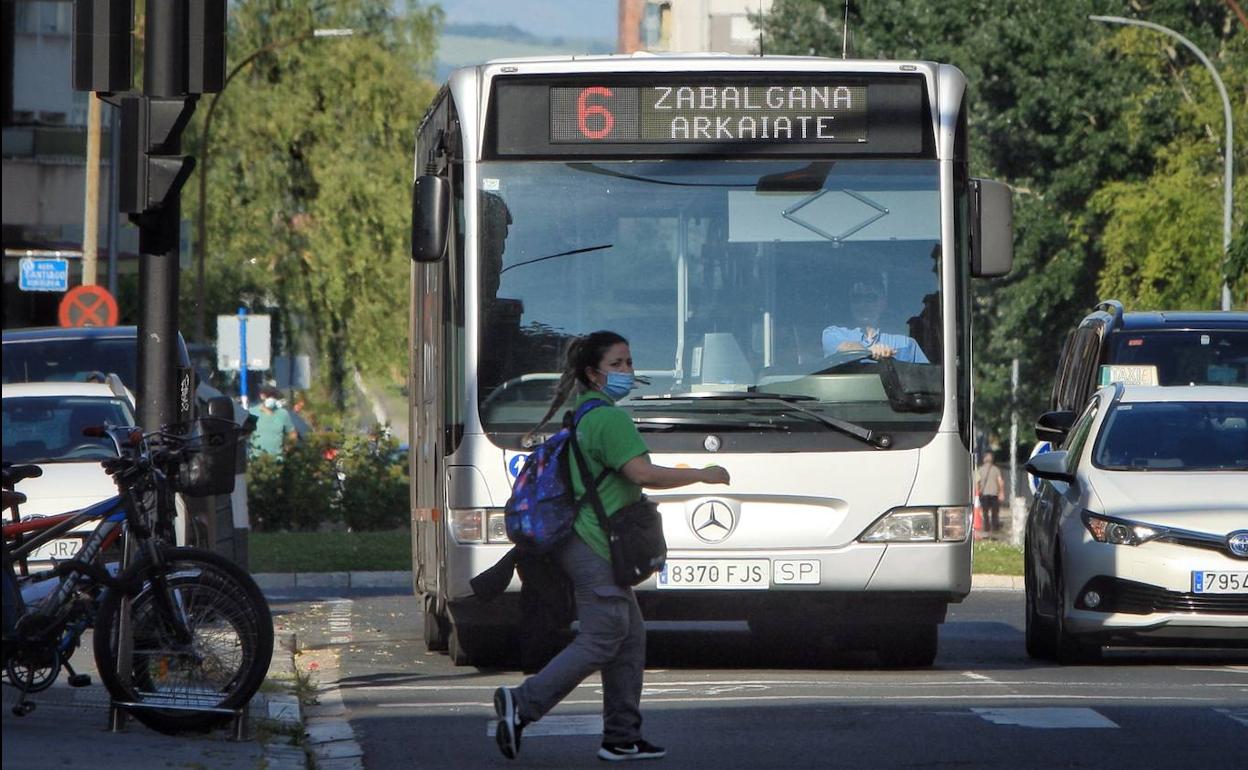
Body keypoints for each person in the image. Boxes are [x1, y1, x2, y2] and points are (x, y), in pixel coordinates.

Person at [493, 331, 730, 762]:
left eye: (629, 362)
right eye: (617, 364)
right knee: (603, 638)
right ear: (593, 373)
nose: (628, 372)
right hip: (594, 547)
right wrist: (702, 474)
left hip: (588, 542)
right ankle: (523, 703)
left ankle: (622, 736)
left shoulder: (583, 415)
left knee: (629, 639)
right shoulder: (609, 419)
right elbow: (642, 473)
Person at [821, 272, 929, 363]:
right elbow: (846, 348)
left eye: (871, 298)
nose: (863, 304)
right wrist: (872, 352)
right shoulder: (832, 333)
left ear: (883, 302)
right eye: (857, 298)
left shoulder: (906, 344)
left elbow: (925, 378)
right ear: (850, 303)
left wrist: (890, 359)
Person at [247, 384, 297, 458]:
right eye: (268, 395)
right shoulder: (252, 412)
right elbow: (243, 434)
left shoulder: (282, 414)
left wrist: (287, 449)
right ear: (262, 396)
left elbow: (292, 434)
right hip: (256, 461)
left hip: (277, 462)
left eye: (273, 396)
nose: (271, 399)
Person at [976, 451, 1004, 533]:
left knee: (985, 512)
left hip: (984, 494)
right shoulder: (996, 469)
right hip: (994, 494)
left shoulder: (979, 469)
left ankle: (987, 528)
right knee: (995, 513)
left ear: (984, 459)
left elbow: (976, 482)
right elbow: (1000, 482)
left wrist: (977, 493)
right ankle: (995, 528)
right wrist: (1001, 493)